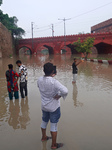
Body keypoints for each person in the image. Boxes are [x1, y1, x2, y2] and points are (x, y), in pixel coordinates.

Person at [37, 62, 68, 149]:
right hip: (54, 107)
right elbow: (65, 91)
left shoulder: (39, 79)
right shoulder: (54, 82)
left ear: (43, 71)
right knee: (53, 125)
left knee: (44, 121)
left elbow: (39, 87)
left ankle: (44, 137)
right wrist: (59, 95)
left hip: (44, 106)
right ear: (53, 71)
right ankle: (54, 145)